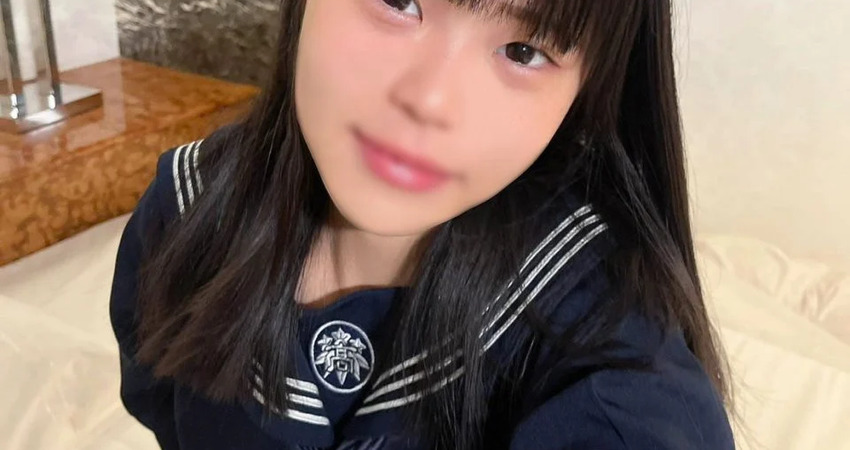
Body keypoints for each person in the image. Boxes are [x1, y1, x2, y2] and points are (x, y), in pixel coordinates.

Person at [110, 0, 736, 448]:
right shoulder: (188, 206)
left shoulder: (602, 343)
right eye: (398, 0)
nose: (430, 100)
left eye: (524, 52)